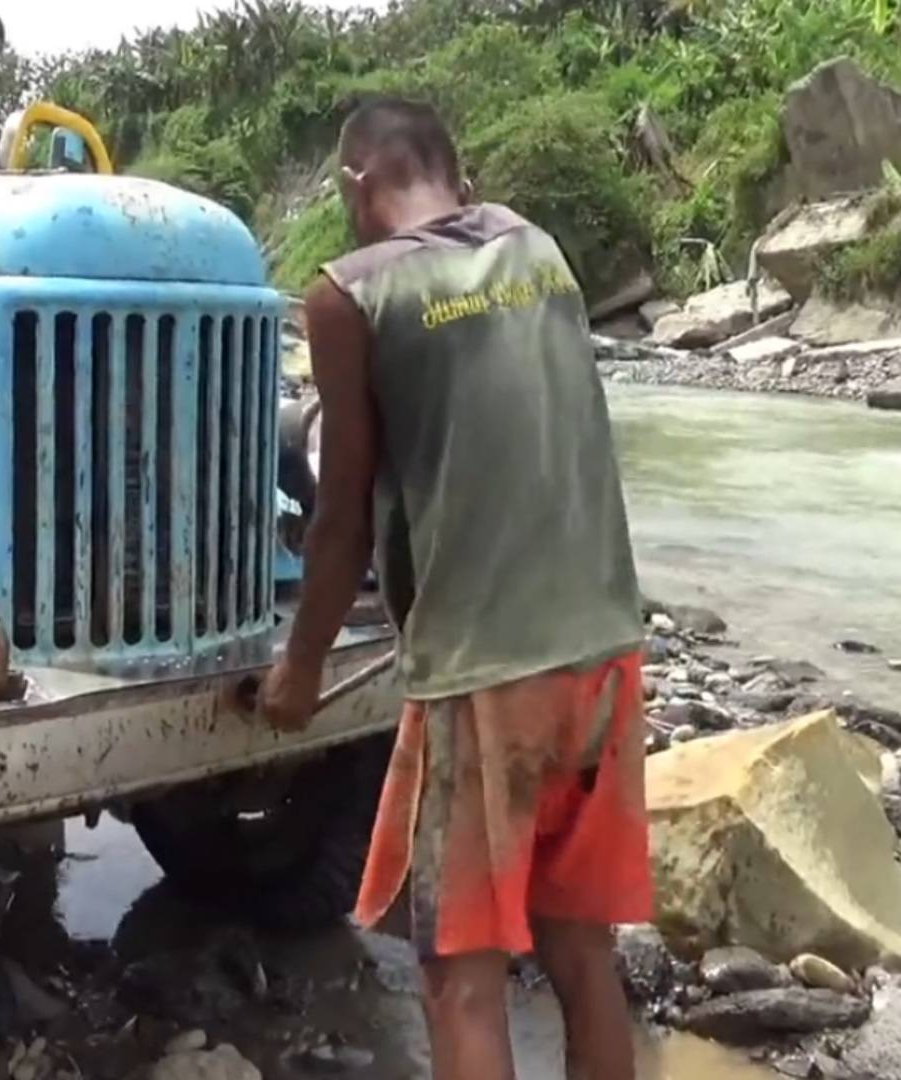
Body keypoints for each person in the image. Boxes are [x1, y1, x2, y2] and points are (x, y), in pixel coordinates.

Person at [259, 97, 652, 1080]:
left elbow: (343, 517)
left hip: (483, 675)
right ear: (461, 180)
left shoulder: (348, 296)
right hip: (605, 653)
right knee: (581, 955)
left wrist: (300, 671)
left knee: (458, 981)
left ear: (354, 186)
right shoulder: (538, 249)